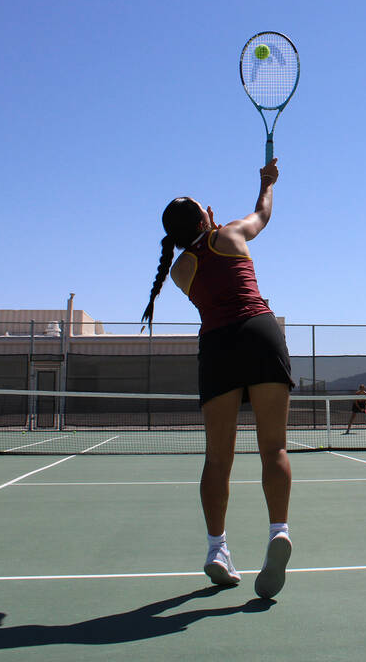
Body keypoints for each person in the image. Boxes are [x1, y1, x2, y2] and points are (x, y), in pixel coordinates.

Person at [140, 158, 293, 599]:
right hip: (260, 333)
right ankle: (279, 531)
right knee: (274, 448)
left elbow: (200, 255)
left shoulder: (178, 270)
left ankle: (217, 549)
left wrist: (202, 225)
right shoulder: (228, 234)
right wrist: (267, 183)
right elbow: (262, 215)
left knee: (217, 459)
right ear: (204, 219)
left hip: (219, 347)